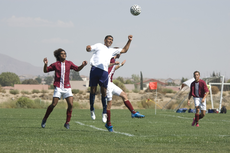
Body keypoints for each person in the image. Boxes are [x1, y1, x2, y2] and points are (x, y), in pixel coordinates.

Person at [86, 35, 132, 123]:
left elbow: (124, 50)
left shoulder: (112, 50)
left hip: (104, 72)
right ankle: (92, 108)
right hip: (94, 69)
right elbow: (89, 48)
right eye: (109, 39)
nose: (110, 41)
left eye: (112, 40)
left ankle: (104, 113)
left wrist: (129, 40)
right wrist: (88, 48)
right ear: (105, 40)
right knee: (93, 91)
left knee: (104, 92)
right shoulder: (99, 45)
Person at [41, 48, 87, 129]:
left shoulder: (69, 63)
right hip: (58, 87)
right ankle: (44, 119)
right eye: (62, 53)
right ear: (59, 56)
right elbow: (46, 70)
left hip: (67, 87)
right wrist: (45, 64)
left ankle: (67, 123)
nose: (64, 55)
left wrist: (82, 65)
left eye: (65, 53)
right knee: (54, 104)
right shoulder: (55, 64)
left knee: (71, 104)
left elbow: (77, 69)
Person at [105, 54, 145, 132]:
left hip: (111, 84)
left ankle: (133, 112)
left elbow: (113, 69)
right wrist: (114, 63)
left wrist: (120, 65)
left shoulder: (113, 61)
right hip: (106, 84)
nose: (120, 53)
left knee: (124, 95)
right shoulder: (108, 59)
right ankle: (108, 124)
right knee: (109, 105)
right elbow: (106, 67)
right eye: (119, 52)